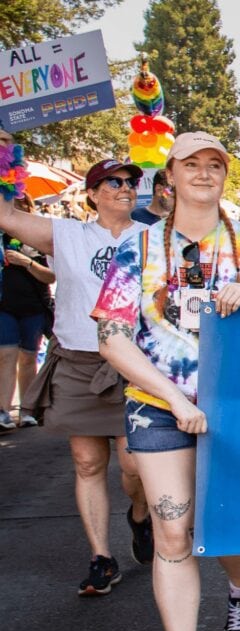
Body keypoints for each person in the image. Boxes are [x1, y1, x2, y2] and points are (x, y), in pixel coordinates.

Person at [91, 131, 240, 631]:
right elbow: (111, 336)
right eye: (192, 164)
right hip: (160, 405)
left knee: (229, 520)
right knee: (172, 529)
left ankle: (239, 593)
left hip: (239, 405)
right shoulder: (137, 248)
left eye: (215, 165)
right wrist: (175, 400)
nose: (204, 173)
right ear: (171, 178)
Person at [0, 130, 151, 592]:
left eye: (129, 182)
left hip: (135, 364)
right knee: (86, 462)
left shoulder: (155, 237)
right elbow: (5, 213)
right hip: (79, 362)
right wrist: (6, 156)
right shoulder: (63, 234)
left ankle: (140, 513)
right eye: (113, 183)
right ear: (91, 195)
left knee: (133, 466)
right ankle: (101, 558)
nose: (125, 188)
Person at [0, 195, 55, 428]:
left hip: (33, 306)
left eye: (19, 205)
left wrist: (26, 262)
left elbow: (51, 275)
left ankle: (27, 410)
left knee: (29, 357)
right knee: (6, 356)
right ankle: (3, 410)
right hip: (5, 306)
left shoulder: (39, 237)